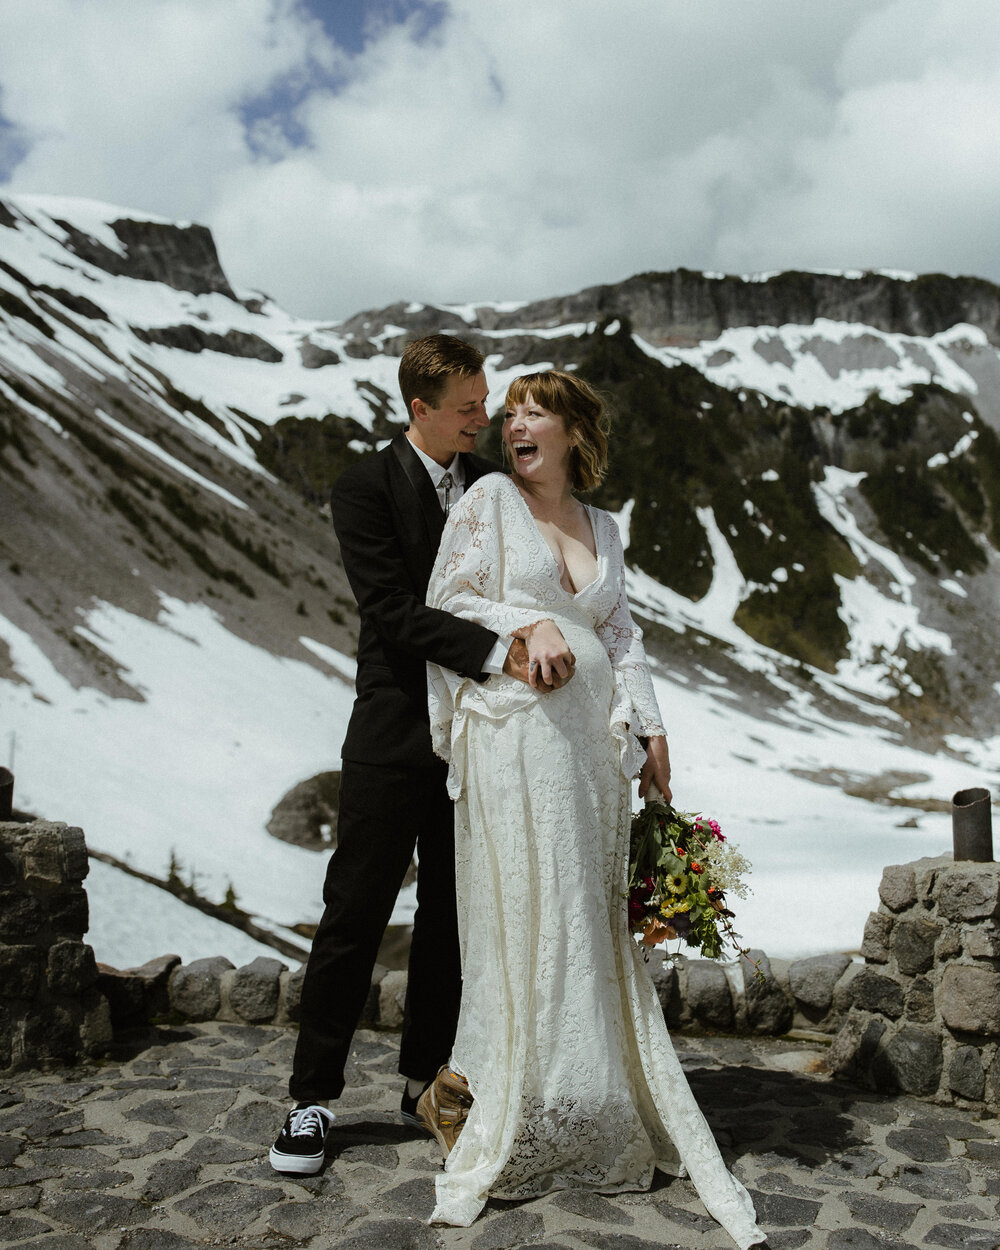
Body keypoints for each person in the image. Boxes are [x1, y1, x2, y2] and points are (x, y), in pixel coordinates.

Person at [423, 371, 765, 1248]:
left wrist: (651, 732)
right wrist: (522, 632)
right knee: (528, 909)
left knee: (584, 913)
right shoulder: (489, 500)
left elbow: (621, 635)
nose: (514, 425)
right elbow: (448, 601)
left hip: (592, 751)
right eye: (508, 414)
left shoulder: (604, 526)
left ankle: (582, 1101)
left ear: (576, 431)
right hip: (516, 737)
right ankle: (492, 1099)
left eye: (535, 412)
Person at [269, 336, 571, 1175]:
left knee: (448, 920)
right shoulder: (363, 487)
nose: (488, 416)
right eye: (472, 405)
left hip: (476, 739)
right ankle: (310, 1101)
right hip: (393, 732)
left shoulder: (491, 487)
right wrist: (502, 649)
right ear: (421, 410)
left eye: (487, 401)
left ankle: (423, 1085)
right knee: (353, 914)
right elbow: (393, 612)